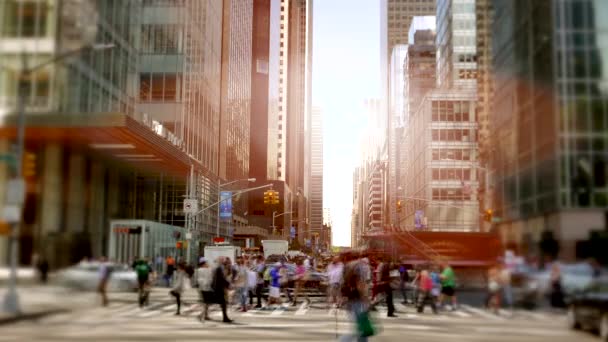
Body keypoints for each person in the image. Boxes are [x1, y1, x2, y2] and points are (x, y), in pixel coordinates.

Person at [212, 257, 233, 323]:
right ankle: (225, 318)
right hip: (218, 288)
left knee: (223, 303)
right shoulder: (219, 269)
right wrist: (228, 284)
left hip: (219, 288)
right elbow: (221, 279)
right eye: (222, 260)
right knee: (222, 303)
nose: (224, 261)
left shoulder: (219, 268)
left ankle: (225, 317)